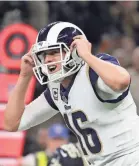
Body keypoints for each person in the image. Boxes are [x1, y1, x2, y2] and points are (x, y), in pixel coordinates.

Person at [4, 21, 139, 166]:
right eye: (43, 55)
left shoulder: (92, 70)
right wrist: (24, 76)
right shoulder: (57, 88)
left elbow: (122, 81)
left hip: (131, 157)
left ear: (74, 50)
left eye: (54, 52)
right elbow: (12, 123)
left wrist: (87, 56)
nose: (48, 59)